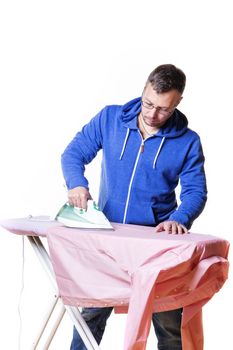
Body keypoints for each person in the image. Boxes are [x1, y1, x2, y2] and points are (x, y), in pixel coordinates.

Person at [61, 64, 207, 350]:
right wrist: (77, 183)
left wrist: (180, 218)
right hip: (109, 239)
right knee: (90, 315)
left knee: (168, 323)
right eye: (148, 103)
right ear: (143, 90)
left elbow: (196, 191)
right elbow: (74, 153)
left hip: (157, 247)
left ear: (177, 103)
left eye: (164, 109)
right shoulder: (110, 119)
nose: (153, 115)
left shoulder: (188, 142)